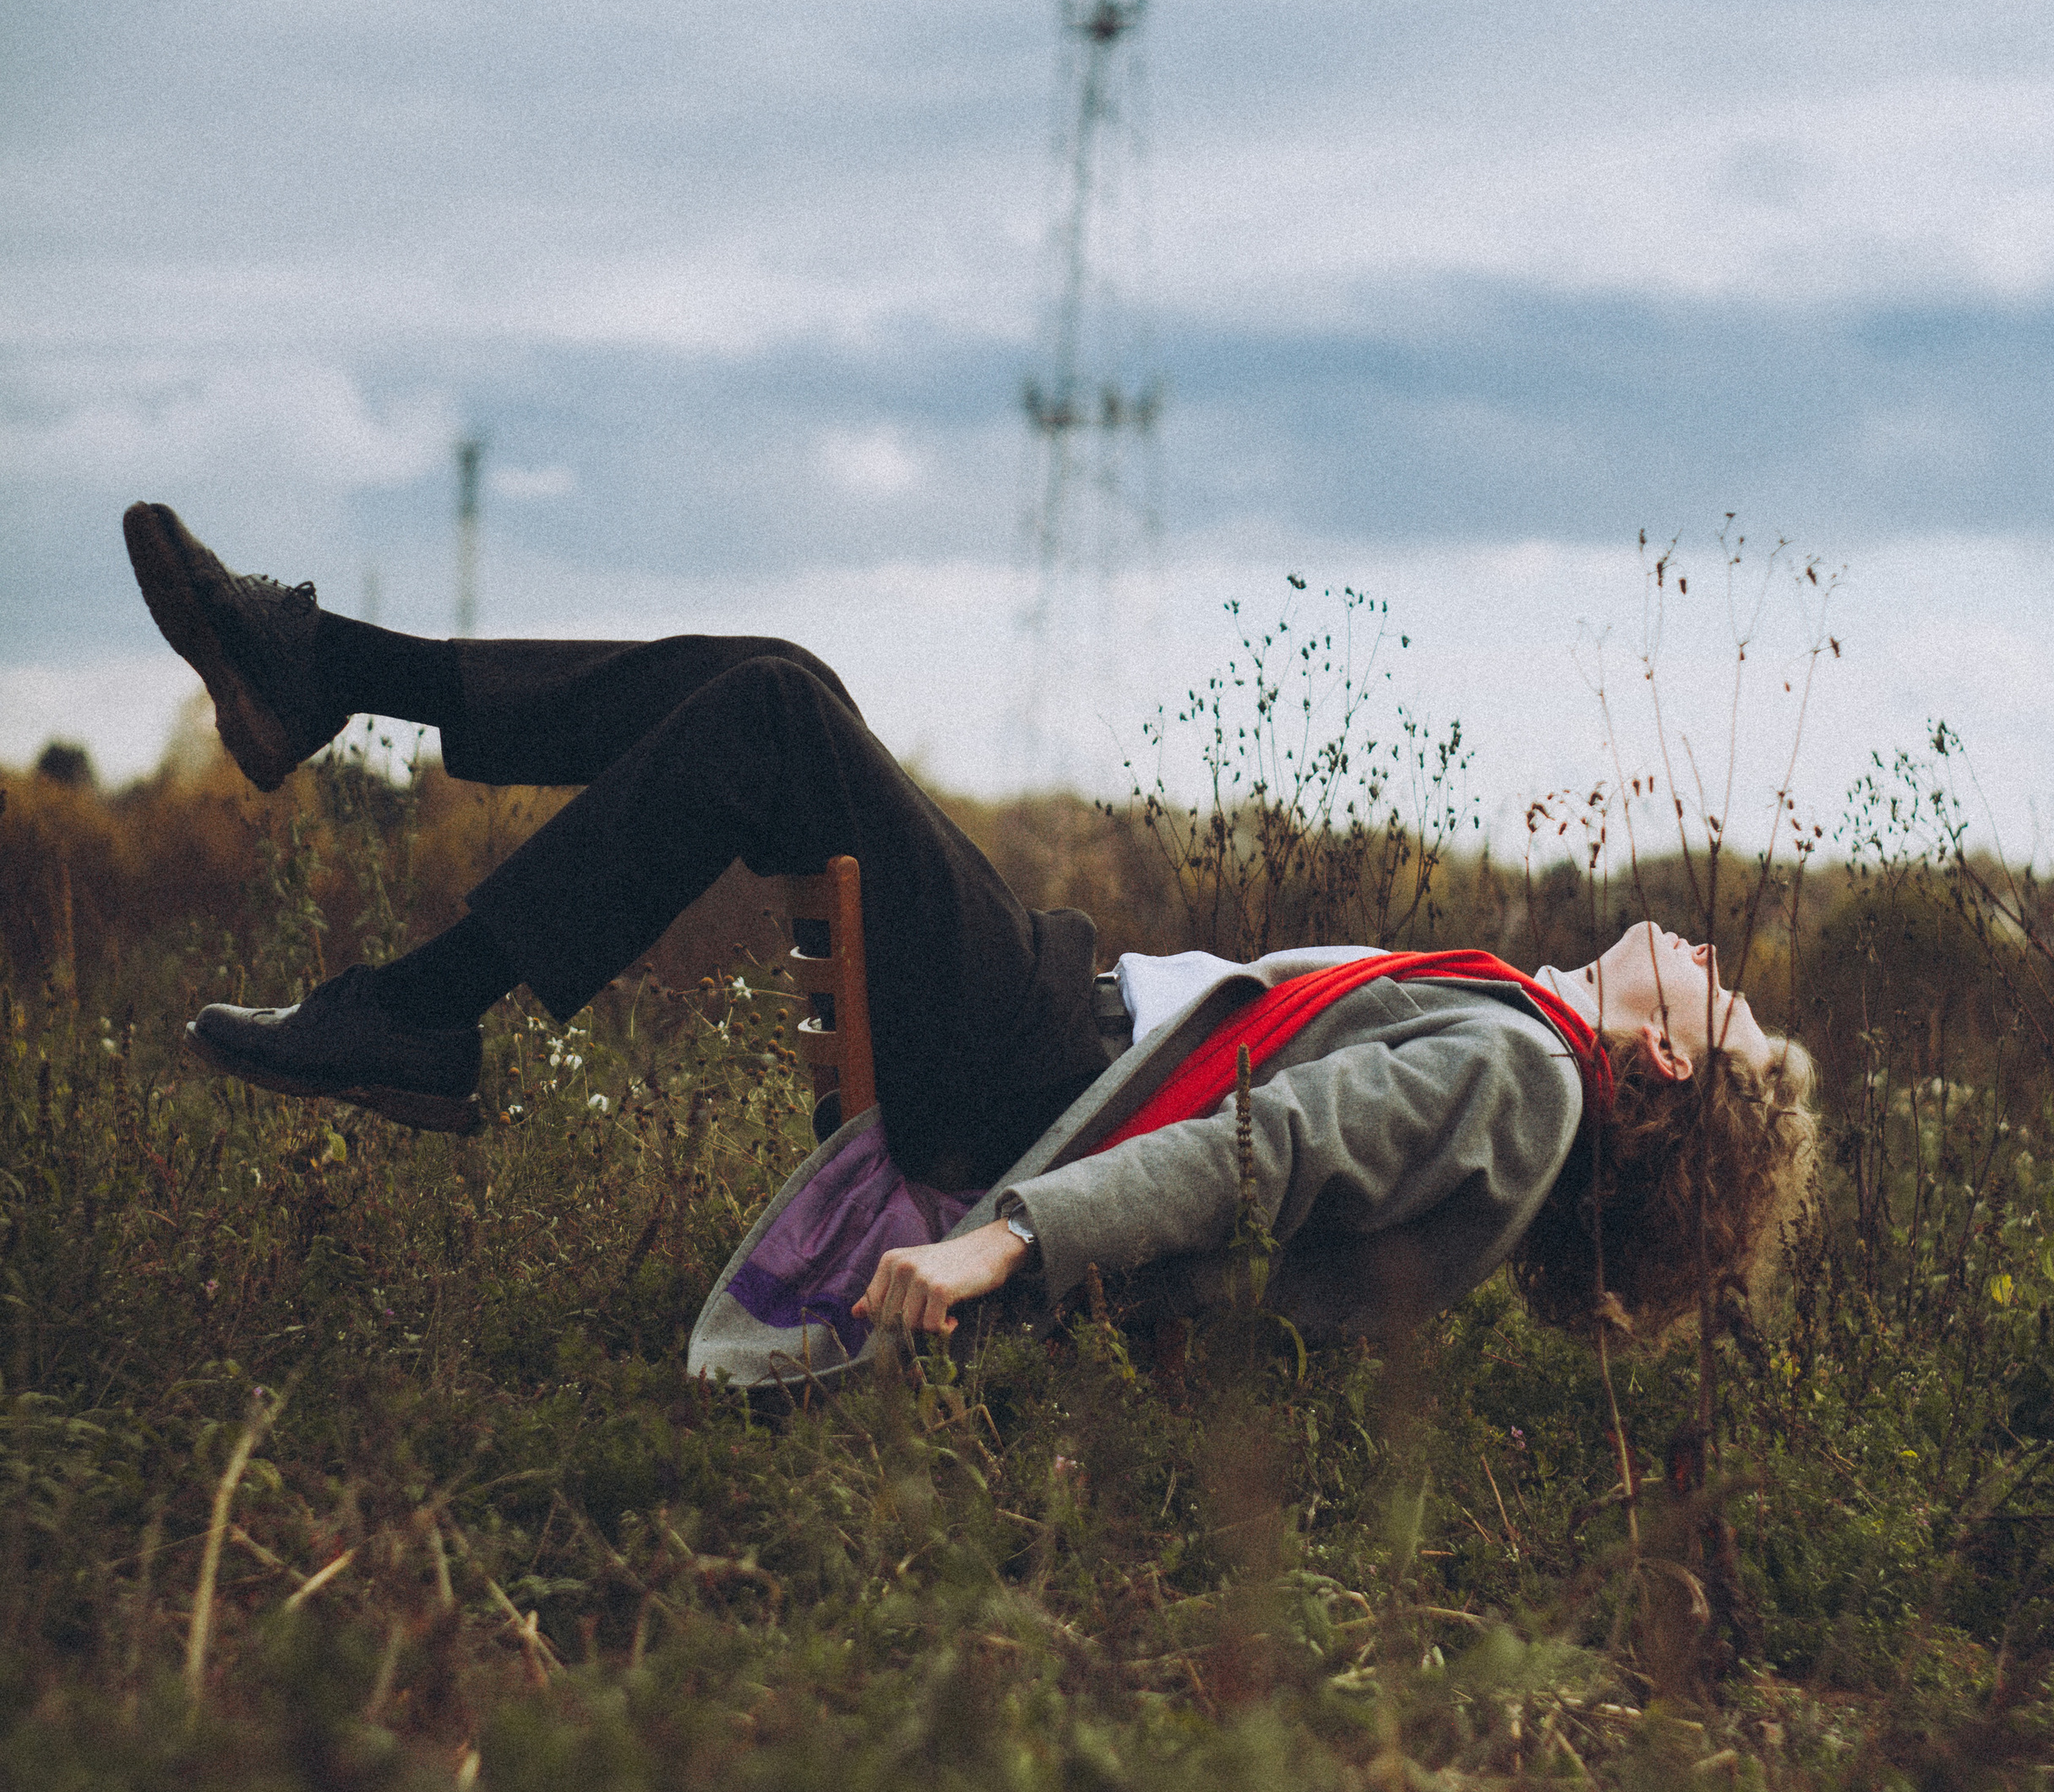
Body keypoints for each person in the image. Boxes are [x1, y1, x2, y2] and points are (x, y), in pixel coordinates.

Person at [123, 501, 1816, 1364]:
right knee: (758, 693)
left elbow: (1259, 1154)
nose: (1717, 961)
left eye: (1725, 1007)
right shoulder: (1514, 1037)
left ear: (1656, 1059)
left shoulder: (1522, 1080)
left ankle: (405, 937)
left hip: (1039, 1076)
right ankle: (329, 691)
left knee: (778, 701)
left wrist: (1007, 1244)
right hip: (1051, 1031)